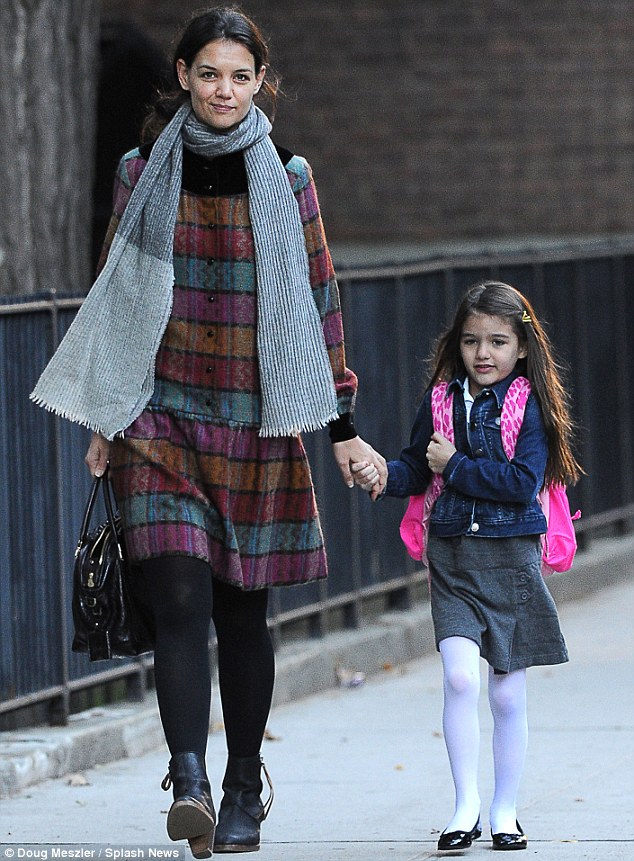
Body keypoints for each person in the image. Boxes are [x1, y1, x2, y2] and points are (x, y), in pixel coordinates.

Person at [31, 6, 386, 857]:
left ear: (260, 82)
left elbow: (318, 300)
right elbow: (117, 294)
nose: (223, 89)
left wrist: (341, 427)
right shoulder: (141, 170)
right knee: (180, 594)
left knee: (240, 613)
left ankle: (241, 786)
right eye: (208, 72)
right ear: (183, 77)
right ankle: (188, 777)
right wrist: (104, 418)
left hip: (259, 420)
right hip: (159, 418)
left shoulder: (289, 177)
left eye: (240, 74)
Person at [353, 281, 582, 852]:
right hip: (452, 557)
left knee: (506, 695)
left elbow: (522, 484)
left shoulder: (529, 406)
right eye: (472, 340)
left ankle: (506, 812)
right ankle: (465, 807)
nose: (483, 353)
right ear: (457, 344)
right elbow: (415, 466)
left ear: (521, 347)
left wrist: (454, 463)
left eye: (498, 342)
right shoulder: (439, 399)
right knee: (459, 678)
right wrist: (383, 475)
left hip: (512, 563)